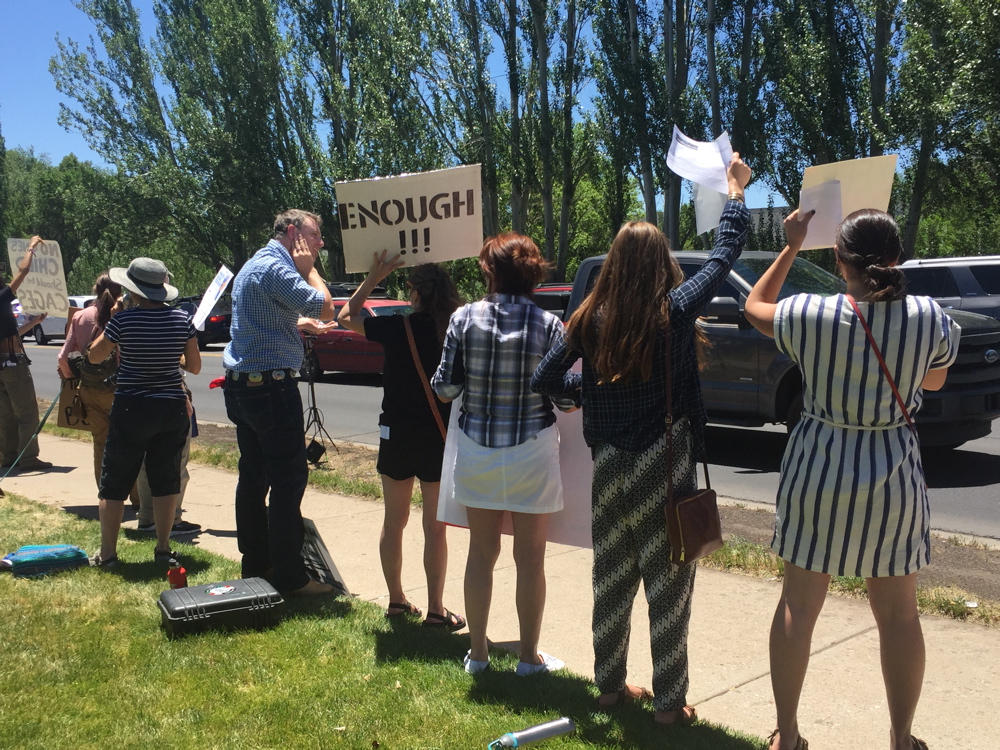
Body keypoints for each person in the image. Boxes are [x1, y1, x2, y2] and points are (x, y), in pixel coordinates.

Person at [532, 154, 752, 724]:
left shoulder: (588, 318)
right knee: (669, 587)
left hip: (609, 465)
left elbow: (546, 379)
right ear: (660, 263)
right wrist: (735, 193)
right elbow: (726, 254)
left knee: (611, 577)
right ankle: (668, 707)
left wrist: (589, 398)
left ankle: (607, 690)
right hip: (664, 464)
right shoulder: (673, 311)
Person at [742, 209, 959, 750]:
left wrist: (791, 246)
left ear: (839, 262)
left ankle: (787, 737)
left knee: (798, 606)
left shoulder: (811, 313)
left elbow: (753, 308)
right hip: (892, 471)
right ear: (896, 258)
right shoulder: (929, 316)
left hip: (818, 465)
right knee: (899, 616)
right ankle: (902, 739)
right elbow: (934, 378)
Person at [432, 233, 573, 676]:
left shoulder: (462, 318)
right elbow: (566, 400)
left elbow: (444, 388)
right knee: (530, 560)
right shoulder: (551, 325)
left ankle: (477, 655)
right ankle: (529, 659)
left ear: (490, 271)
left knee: (480, 553)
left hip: (477, 450)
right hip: (533, 451)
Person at [339, 253, 465, 630]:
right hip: (438, 437)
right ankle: (436, 611)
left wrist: (374, 275)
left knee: (393, 523)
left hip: (395, 434)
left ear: (413, 292)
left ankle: (396, 601)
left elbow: (345, 316)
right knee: (435, 528)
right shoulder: (453, 330)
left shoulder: (398, 328)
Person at [223, 209, 335, 596]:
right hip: (271, 388)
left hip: (243, 387)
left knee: (253, 479)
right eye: (315, 235)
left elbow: (259, 318)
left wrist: (295, 324)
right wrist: (310, 271)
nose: (320, 243)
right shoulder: (279, 267)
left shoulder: (255, 263)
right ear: (293, 233)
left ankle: (256, 564)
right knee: (289, 480)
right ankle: (291, 576)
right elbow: (325, 306)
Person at [88, 258, 201, 566]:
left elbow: (96, 356)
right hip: (171, 405)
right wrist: (165, 358)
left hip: (132, 405)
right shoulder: (181, 319)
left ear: (132, 291)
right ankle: (163, 549)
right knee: (166, 479)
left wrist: (117, 323)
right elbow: (194, 366)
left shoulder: (122, 321)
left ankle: (108, 553)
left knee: (114, 482)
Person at [58, 273, 137, 505]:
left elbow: (63, 357)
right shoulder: (124, 316)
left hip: (89, 389)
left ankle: (107, 495)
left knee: (100, 443)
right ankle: (137, 497)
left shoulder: (80, 316)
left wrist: (74, 377)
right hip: (119, 389)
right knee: (128, 443)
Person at [0, 236, 53, 474]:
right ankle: (29, 458)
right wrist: (31, 248)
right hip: (13, 364)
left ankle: (8, 456)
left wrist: (34, 323)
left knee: (6, 415)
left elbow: (11, 333)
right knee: (27, 413)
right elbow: (22, 271)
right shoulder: (1, 296)